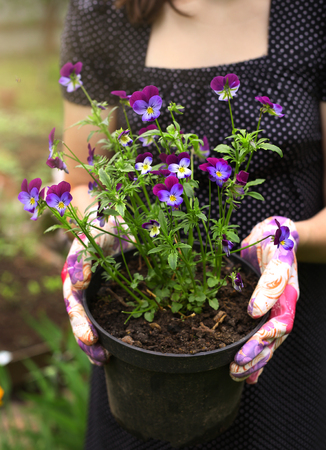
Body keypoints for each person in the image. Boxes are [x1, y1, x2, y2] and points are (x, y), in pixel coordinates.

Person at [60, 0, 326, 448]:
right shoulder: (104, 8)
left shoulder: (312, 11)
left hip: (285, 337)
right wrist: (98, 231)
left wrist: (288, 236)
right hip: (139, 352)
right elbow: (81, 179)